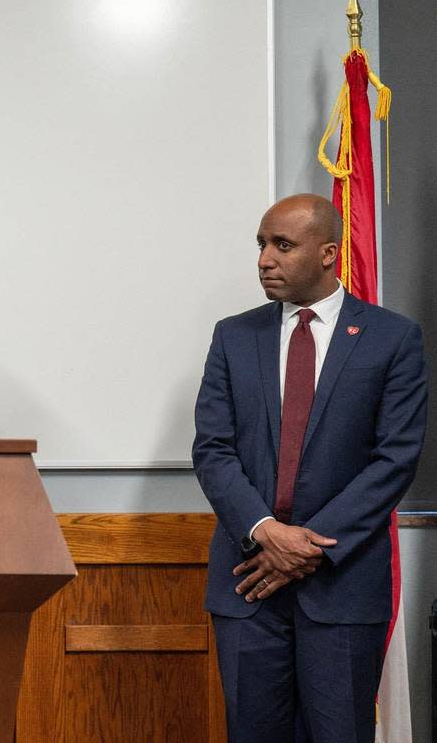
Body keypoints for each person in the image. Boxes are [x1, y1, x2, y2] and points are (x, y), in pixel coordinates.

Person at [192, 194, 428, 743]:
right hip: (247, 584)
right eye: (260, 244)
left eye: (282, 245)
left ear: (328, 253)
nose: (264, 259)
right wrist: (265, 533)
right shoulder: (233, 336)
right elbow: (212, 449)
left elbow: (394, 458)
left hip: (343, 587)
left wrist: (307, 548)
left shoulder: (392, 338)